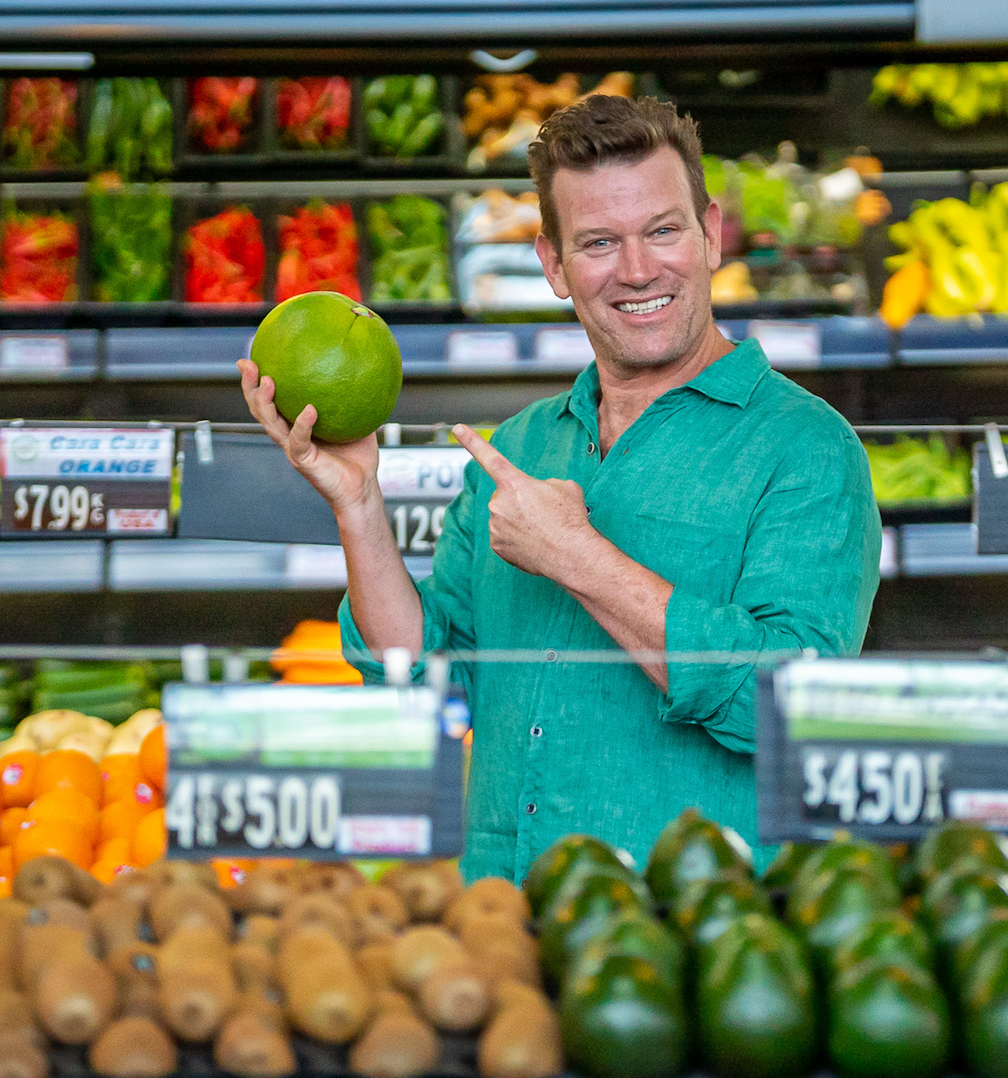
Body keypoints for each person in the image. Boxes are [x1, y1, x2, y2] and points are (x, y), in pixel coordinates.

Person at [239, 95, 879, 880]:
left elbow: (791, 712)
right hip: (506, 929)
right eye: (599, 242)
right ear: (553, 266)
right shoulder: (522, 446)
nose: (638, 269)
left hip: (693, 946)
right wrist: (359, 507)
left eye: (663, 231)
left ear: (712, 234)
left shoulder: (808, 450)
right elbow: (430, 686)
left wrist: (576, 555)